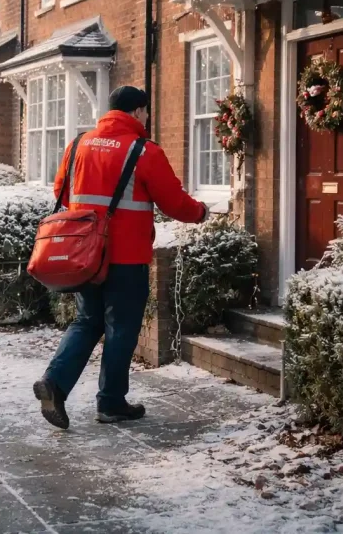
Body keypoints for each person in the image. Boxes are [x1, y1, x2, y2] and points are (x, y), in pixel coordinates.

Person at [33, 85, 208, 429]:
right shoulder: (143, 151)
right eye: (146, 111)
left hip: (86, 255)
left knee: (87, 321)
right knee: (122, 327)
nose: (147, 117)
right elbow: (174, 202)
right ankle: (111, 402)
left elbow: (61, 191)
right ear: (138, 111)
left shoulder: (79, 144)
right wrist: (201, 212)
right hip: (126, 257)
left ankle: (55, 382)